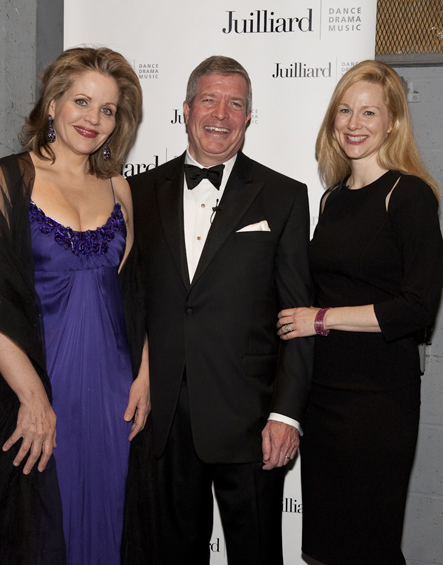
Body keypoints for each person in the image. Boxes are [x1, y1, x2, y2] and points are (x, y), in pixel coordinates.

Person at [0, 46, 149, 564]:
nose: (94, 119)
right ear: (53, 103)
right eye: (82, 101)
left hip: (110, 390)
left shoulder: (119, 190)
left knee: (104, 517)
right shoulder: (10, 179)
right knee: (29, 532)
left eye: (107, 110)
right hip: (31, 380)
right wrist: (32, 397)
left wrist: (144, 374)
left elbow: (133, 296)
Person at [127, 55, 314, 564]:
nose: (221, 114)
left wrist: (287, 414)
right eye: (209, 99)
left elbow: (298, 314)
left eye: (236, 104)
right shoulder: (136, 193)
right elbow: (126, 302)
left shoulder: (285, 196)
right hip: (160, 419)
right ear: (185, 109)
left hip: (251, 421)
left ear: (249, 117)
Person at [277, 60, 443, 564]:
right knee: (326, 545)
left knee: (367, 544)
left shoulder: (409, 195)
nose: (354, 123)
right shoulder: (330, 200)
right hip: (323, 396)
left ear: (392, 121)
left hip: (377, 400)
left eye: (369, 112)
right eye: (345, 110)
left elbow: (416, 309)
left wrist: (319, 319)